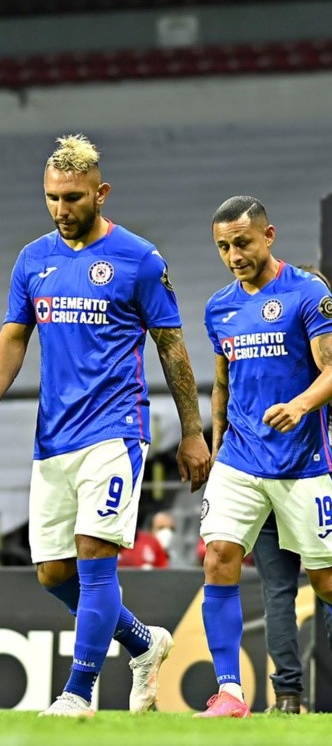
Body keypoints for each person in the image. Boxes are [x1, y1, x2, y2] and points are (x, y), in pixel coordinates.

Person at [0, 134, 211, 717]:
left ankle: (79, 691)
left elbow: (172, 347)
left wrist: (192, 431)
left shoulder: (139, 259)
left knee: (95, 556)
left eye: (72, 197)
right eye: (52, 198)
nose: (62, 210)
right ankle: (144, 645)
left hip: (115, 431)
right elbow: (14, 340)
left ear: (100, 192)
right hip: (53, 437)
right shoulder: (32, 260)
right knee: (52, 573)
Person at [196, 195, 332, 718]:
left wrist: (301, 405)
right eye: (223, 247)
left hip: (302, 464)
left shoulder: (309, 293)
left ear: (269, 235)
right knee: (219, 560)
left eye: (242, 242)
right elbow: (220, 385)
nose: (234, 255)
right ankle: (231, 691)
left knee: (329, 581)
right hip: (239, 459)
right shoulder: (220, 307)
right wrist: (216, 451)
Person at [252, 265, 332, 715]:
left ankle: (287, 697)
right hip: (315, 484)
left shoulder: (259, 351)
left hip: (260, 483)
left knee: (277, 595)